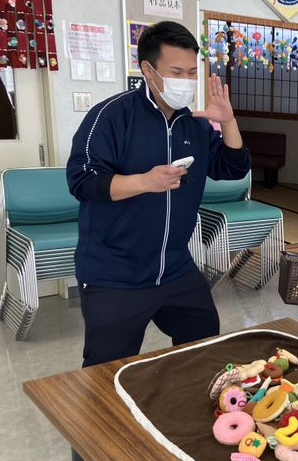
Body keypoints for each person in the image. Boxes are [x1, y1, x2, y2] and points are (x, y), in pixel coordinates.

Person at [67, 21, 250, 367]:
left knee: (204, 347)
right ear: (148, 70)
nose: (185, 80)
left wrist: (227, 122)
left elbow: (233, 167)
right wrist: (144, 182)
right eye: (176, 72)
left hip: (175, 267)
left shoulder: (195, 122)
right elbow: (82, 181)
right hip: (114, 273)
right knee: (107, 371)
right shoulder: (111, 116)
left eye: (192, 72)